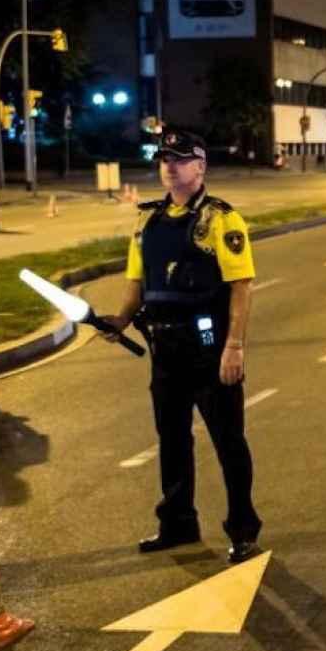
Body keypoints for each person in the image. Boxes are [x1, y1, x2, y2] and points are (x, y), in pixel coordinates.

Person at [100, 128, 262, 564]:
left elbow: (241, 286)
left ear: (200, 166)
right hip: (165, 350)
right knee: (171, 440)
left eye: (180, 158)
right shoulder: (147, 221)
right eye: (164, 158)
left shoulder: (221, 220)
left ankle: (243, 530)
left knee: (228, 441)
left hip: (209, 349)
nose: (169, 165)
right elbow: (137, 283)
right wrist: (119, 320)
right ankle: (177, 523)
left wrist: (234, 348)